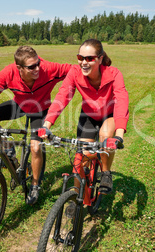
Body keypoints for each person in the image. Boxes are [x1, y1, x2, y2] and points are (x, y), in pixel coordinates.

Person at [0, 45, 72, 205]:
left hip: (41, 109)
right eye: (31, 66)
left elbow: (76, 71)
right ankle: (10, 153)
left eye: (38, 63)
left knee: (35, 147)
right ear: (19, 67)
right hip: (20, 104)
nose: (37, 68)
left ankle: (35, 185)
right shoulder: (9, 73)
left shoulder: (48, 68)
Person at [39, 39, 129, 196]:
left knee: (105, 136)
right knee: (82, 157)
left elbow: (121, 101)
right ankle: (76, 196)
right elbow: (62, 97)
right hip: (88, 115)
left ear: (100, 59)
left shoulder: (114, 74)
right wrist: (46, 125)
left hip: (109, 114)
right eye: (80, 58)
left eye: (90, 58)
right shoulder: (74, 73)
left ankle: (106, 173)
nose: (84, 63)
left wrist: (119, 136)